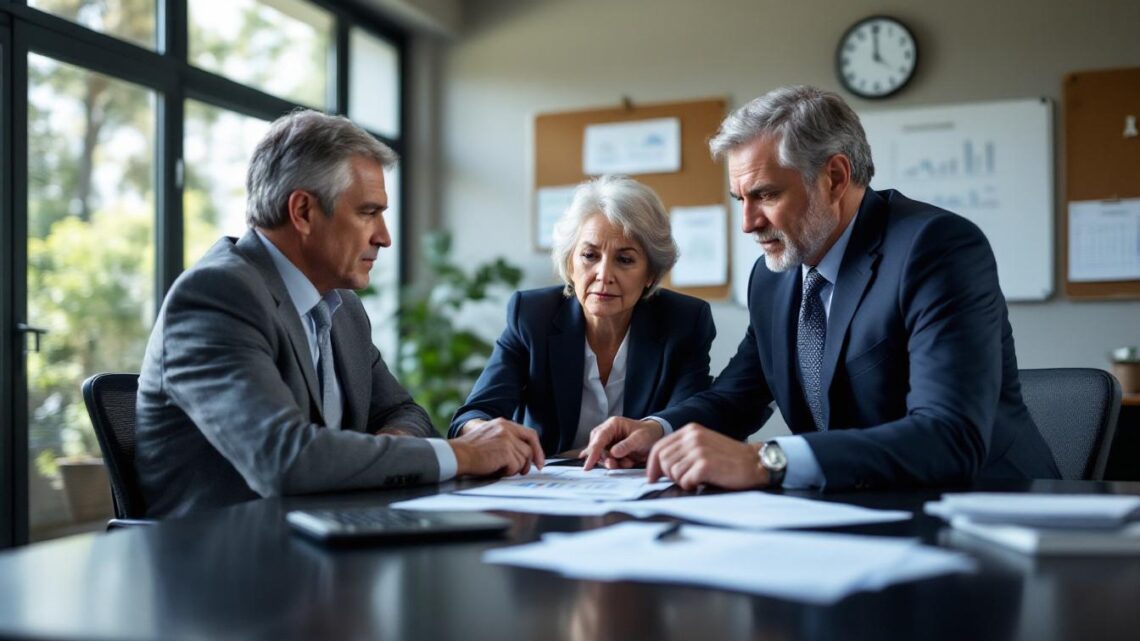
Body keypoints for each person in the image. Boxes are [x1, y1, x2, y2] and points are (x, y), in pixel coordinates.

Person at [581, 86, 1060, 490]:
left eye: (766, 195)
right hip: (854, 512)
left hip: (983, 515)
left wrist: (764, 460)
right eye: (739, 200)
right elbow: (739, 394)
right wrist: (655, 429)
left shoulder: (935, 249)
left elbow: (950, 434)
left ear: (834, 177)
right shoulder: (774, 275)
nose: (748, 223)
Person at [136, 110, 543, 518]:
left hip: (321, 542)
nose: (383, 237)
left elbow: (407, 414)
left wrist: (390, 448)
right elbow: (285, 460)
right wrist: (463, 454)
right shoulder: (219, 296)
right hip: (221, 562)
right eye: (368, 212)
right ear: (303, 212)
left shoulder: (342, 307)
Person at [448, 176, 715, 455]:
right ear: (569, 262)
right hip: (547, 486)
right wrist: (482, 430)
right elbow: (472, 415)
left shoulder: (684, 321)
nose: (604, 275)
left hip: (640, 484)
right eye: (589, 255)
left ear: (650, 274)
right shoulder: (532, 317)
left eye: (624, 260)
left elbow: (691, 422)